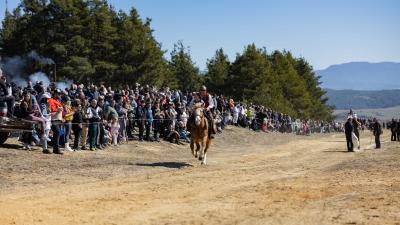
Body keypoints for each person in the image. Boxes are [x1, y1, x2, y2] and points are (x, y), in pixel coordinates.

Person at [48, 89, 64, 154]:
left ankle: (55, 149)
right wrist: (58, 110)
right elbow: (51, 111)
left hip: (59, 120)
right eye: (58, 93)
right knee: (57, 132)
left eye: (60, 94)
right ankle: (56, 149)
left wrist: (62, 118)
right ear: (54, 93)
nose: (59, 95)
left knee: (57, 134)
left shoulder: (58, 101)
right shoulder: (50, 100)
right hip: (53, 120)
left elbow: (60, 111)